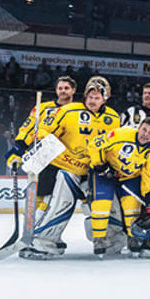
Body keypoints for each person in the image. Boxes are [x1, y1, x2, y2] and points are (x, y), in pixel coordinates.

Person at [25, 76, 120, 259]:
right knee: (60, 204)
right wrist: (42, 139)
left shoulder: (114, 118)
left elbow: (115, 145)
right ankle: (44, 241)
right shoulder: (68, 111)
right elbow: (44, 129)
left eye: (97, 97)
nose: (92, 101)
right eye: (90, 97)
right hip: (67, 167)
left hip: (94, 171)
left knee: (105, 205)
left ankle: (110, 241)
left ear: (105, 98)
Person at [87, 116, 150, 258]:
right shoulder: (121, 134)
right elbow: (94, 144)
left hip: (129, 177)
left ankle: (133, 237)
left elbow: (149, 173)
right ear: (138, 127)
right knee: (101, 205)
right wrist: (101, 166)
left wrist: (149, 194)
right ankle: (99, 239)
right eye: (144, 130)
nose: (145, 134)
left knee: (132, 207)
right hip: (105, 173)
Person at [6, 74, 77, 220]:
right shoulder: (43, 108)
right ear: (56, 90)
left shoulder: (78, 110)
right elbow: (28, 129)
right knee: (41, 194)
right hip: (46, 155)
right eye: (60, 88)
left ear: (73, 90)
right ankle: (33, 225)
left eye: (66, 88)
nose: (63, 91)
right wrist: (19, 148)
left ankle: (48, 229)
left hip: (70, 158)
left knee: (63, 197)